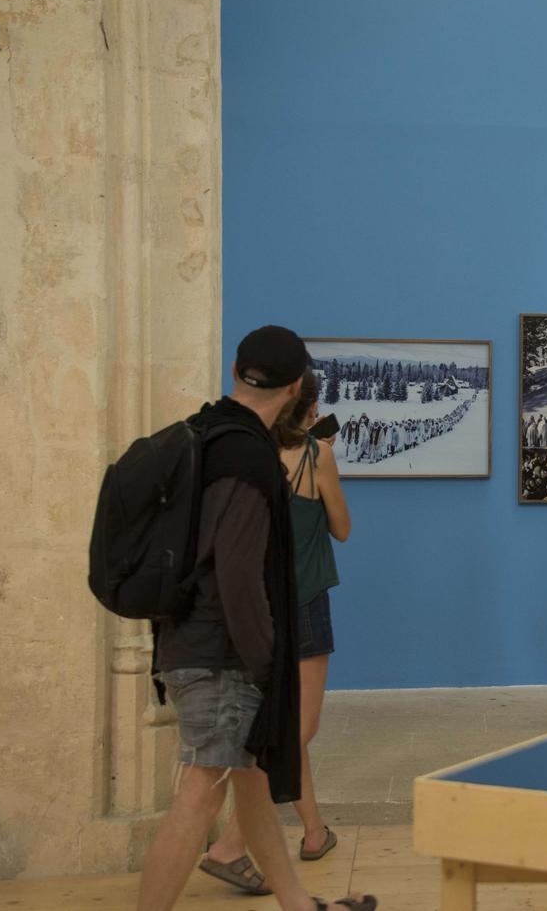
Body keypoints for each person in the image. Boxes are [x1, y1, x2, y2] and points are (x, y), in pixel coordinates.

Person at [137, 326, 374, 911]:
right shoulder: (249, 454)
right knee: (202, 790)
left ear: (239, 368)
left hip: (190, 631)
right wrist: (266, 659)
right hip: (228, 646)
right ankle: (207, 873)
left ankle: (298, 897)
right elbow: (242, 572)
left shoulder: (205, 433)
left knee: (253, 771)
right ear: (297, 388)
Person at [199, 367, 353, 894]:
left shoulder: (250, 454)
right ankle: (230, 845)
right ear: (309, 409)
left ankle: (314, 833)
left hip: (254, 608)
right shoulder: (317, 456)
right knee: (296, 729)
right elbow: (342, 527)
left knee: (283, 721)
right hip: (304, 603)